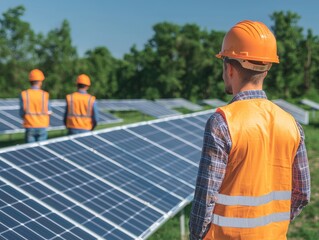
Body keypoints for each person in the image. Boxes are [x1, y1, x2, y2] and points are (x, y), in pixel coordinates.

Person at [189, 20, 311, 240]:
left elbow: (205, 197)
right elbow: (302, 194)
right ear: (267, 69)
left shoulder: (222, 122)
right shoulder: (292, 124)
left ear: (229, 67)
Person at [20, 69, 52, 143]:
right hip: (42, 125)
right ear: (40, 82)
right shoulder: (45, 95)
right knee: (42, 151)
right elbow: (49, 111)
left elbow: (21, 112)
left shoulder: (24, 94)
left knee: (30, 151)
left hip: (29, 125)